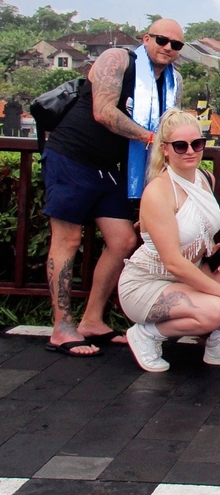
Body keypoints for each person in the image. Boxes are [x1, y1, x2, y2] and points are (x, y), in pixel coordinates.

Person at [42, 18, 184, 356]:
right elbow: (104, 112)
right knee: (68, 238)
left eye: (176, 44)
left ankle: (92, 319)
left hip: (110, 168)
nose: (168, 47)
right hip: (72, 156)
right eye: (162, 40)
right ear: (146, 38)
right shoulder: (118, 60)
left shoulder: (172, 81)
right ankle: (61, 327)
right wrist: (152, 137)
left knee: (122, 240)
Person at [119, 109, 220, 372]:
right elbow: (172, 262)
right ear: (166, 149)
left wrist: (212, 250)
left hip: (188, 274)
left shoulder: (206, 178)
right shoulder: (159, 191)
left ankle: (219, 344)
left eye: (197, 144)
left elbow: (199, 230)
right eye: (180, 146)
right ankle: (147, 335)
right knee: (216, 310)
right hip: (149, 283)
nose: (190, 151)